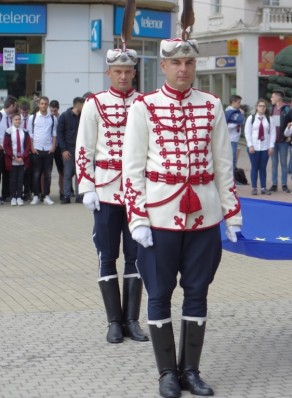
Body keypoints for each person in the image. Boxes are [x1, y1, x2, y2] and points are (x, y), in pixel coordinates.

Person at [122, 32, 243, 398]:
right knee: (159, 295)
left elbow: (224, 164)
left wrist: (232, 213)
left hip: (203, 217)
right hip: (160, 217)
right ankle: (166, 374)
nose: (183, 69)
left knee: (197, 293)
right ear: (163, 66)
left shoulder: (211, 105)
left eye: (189, 63)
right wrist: (138, 219)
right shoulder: (144, 106)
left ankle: (190, 370)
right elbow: (133, 169)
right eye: (176, 62)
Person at [76, 46, 148, 344]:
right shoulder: (95, 104)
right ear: (108, 73)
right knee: (107, 256)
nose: (122, 76)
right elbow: (84, 147)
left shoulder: (145, 103)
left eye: (127, 71)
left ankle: (132, 320)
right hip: (105, 189)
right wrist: (86, 186)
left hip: (137, 193)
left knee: (136, 257)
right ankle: (113, 322)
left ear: (134, 73)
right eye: (117, 71)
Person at [28, 96, 57, 205]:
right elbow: (30, 134)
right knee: (36, 174)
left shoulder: (53, 118)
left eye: (45, 104)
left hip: (48, 150)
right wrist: (32, 147)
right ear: (39, 105)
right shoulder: (33, 118)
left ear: (48, 105)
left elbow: (54, 134)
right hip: (37, 149)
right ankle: (36, 195)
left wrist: (53, 147)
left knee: (48, 174)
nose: (44, 105)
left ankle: (46, 196)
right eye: (42, 103)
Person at [245, 99, 275, 195]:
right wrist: (250, 145)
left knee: (263, 168)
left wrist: (271, 146)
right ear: (257, 107)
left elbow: (272, 133)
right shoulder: (251, 118)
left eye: (264, 106)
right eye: (260, 106)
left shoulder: (269, 119)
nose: (262, 108)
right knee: (254, 167)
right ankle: (254, 187)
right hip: (254, 147)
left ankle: (263, 187)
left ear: (266, 108)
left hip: (265, 147)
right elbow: (247, 132)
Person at [57, 97, 85, 204]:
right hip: (68, 149)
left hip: (80, 149)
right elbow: (60, 134)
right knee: (68, 173)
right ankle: (66, 195)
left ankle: (79, 195)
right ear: (77, 105)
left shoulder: (83, 116)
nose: (84, 107)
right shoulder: (64, 116)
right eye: (83, 105)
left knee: (79, 173)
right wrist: (63, 150)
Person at [269, 89, 292, 193]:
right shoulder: (271, 109)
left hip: (283, 142)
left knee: (284, 164)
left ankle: (284, 184)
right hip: (273, 142)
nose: (271, 98)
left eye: (273, 96)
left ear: (278, 97)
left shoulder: (287, 109)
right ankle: (274, 184)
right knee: (274, 164)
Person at [3, 113, 32, 206]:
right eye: (15, 119)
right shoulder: (8, 131)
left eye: (19, 119)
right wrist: (13, 156)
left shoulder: (25, 131)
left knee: (20, 179)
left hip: (22, 159)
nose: (18, 121)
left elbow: (28, 145)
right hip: (12, 159)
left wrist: (23, 157)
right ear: (12, 120)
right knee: (12, 179)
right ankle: (13, 197)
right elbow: (6, 146)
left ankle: (19, 196)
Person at [0, 96, 18, 204]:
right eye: (15, 106)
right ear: (12, 105)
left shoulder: (9, 117)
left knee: (7, 173)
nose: (15, 108)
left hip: (8, 151)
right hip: (0, 149)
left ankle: (5, 195)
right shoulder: (1, 115)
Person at [225, 94, 244, 180]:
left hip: (235, 139)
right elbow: (226, 127)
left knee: (234, 159)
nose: (240, 104)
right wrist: (236, 123)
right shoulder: (228, 112)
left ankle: (232, 178)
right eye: (238, 102)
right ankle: (230, 179)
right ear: (233, 102)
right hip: (230, 139)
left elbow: (241, 121)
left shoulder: (238, 112)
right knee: (231, 160)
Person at [49, 99, 65, 201]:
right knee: (46, 172)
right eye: (52, 111)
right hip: (49, 147)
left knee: (61, 171)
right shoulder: (47, 118)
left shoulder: (61, 118)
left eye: (55, 111)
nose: (53, 113)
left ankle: (62, 192)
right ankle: (44, 193)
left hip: (59, 147)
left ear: (58, 109)